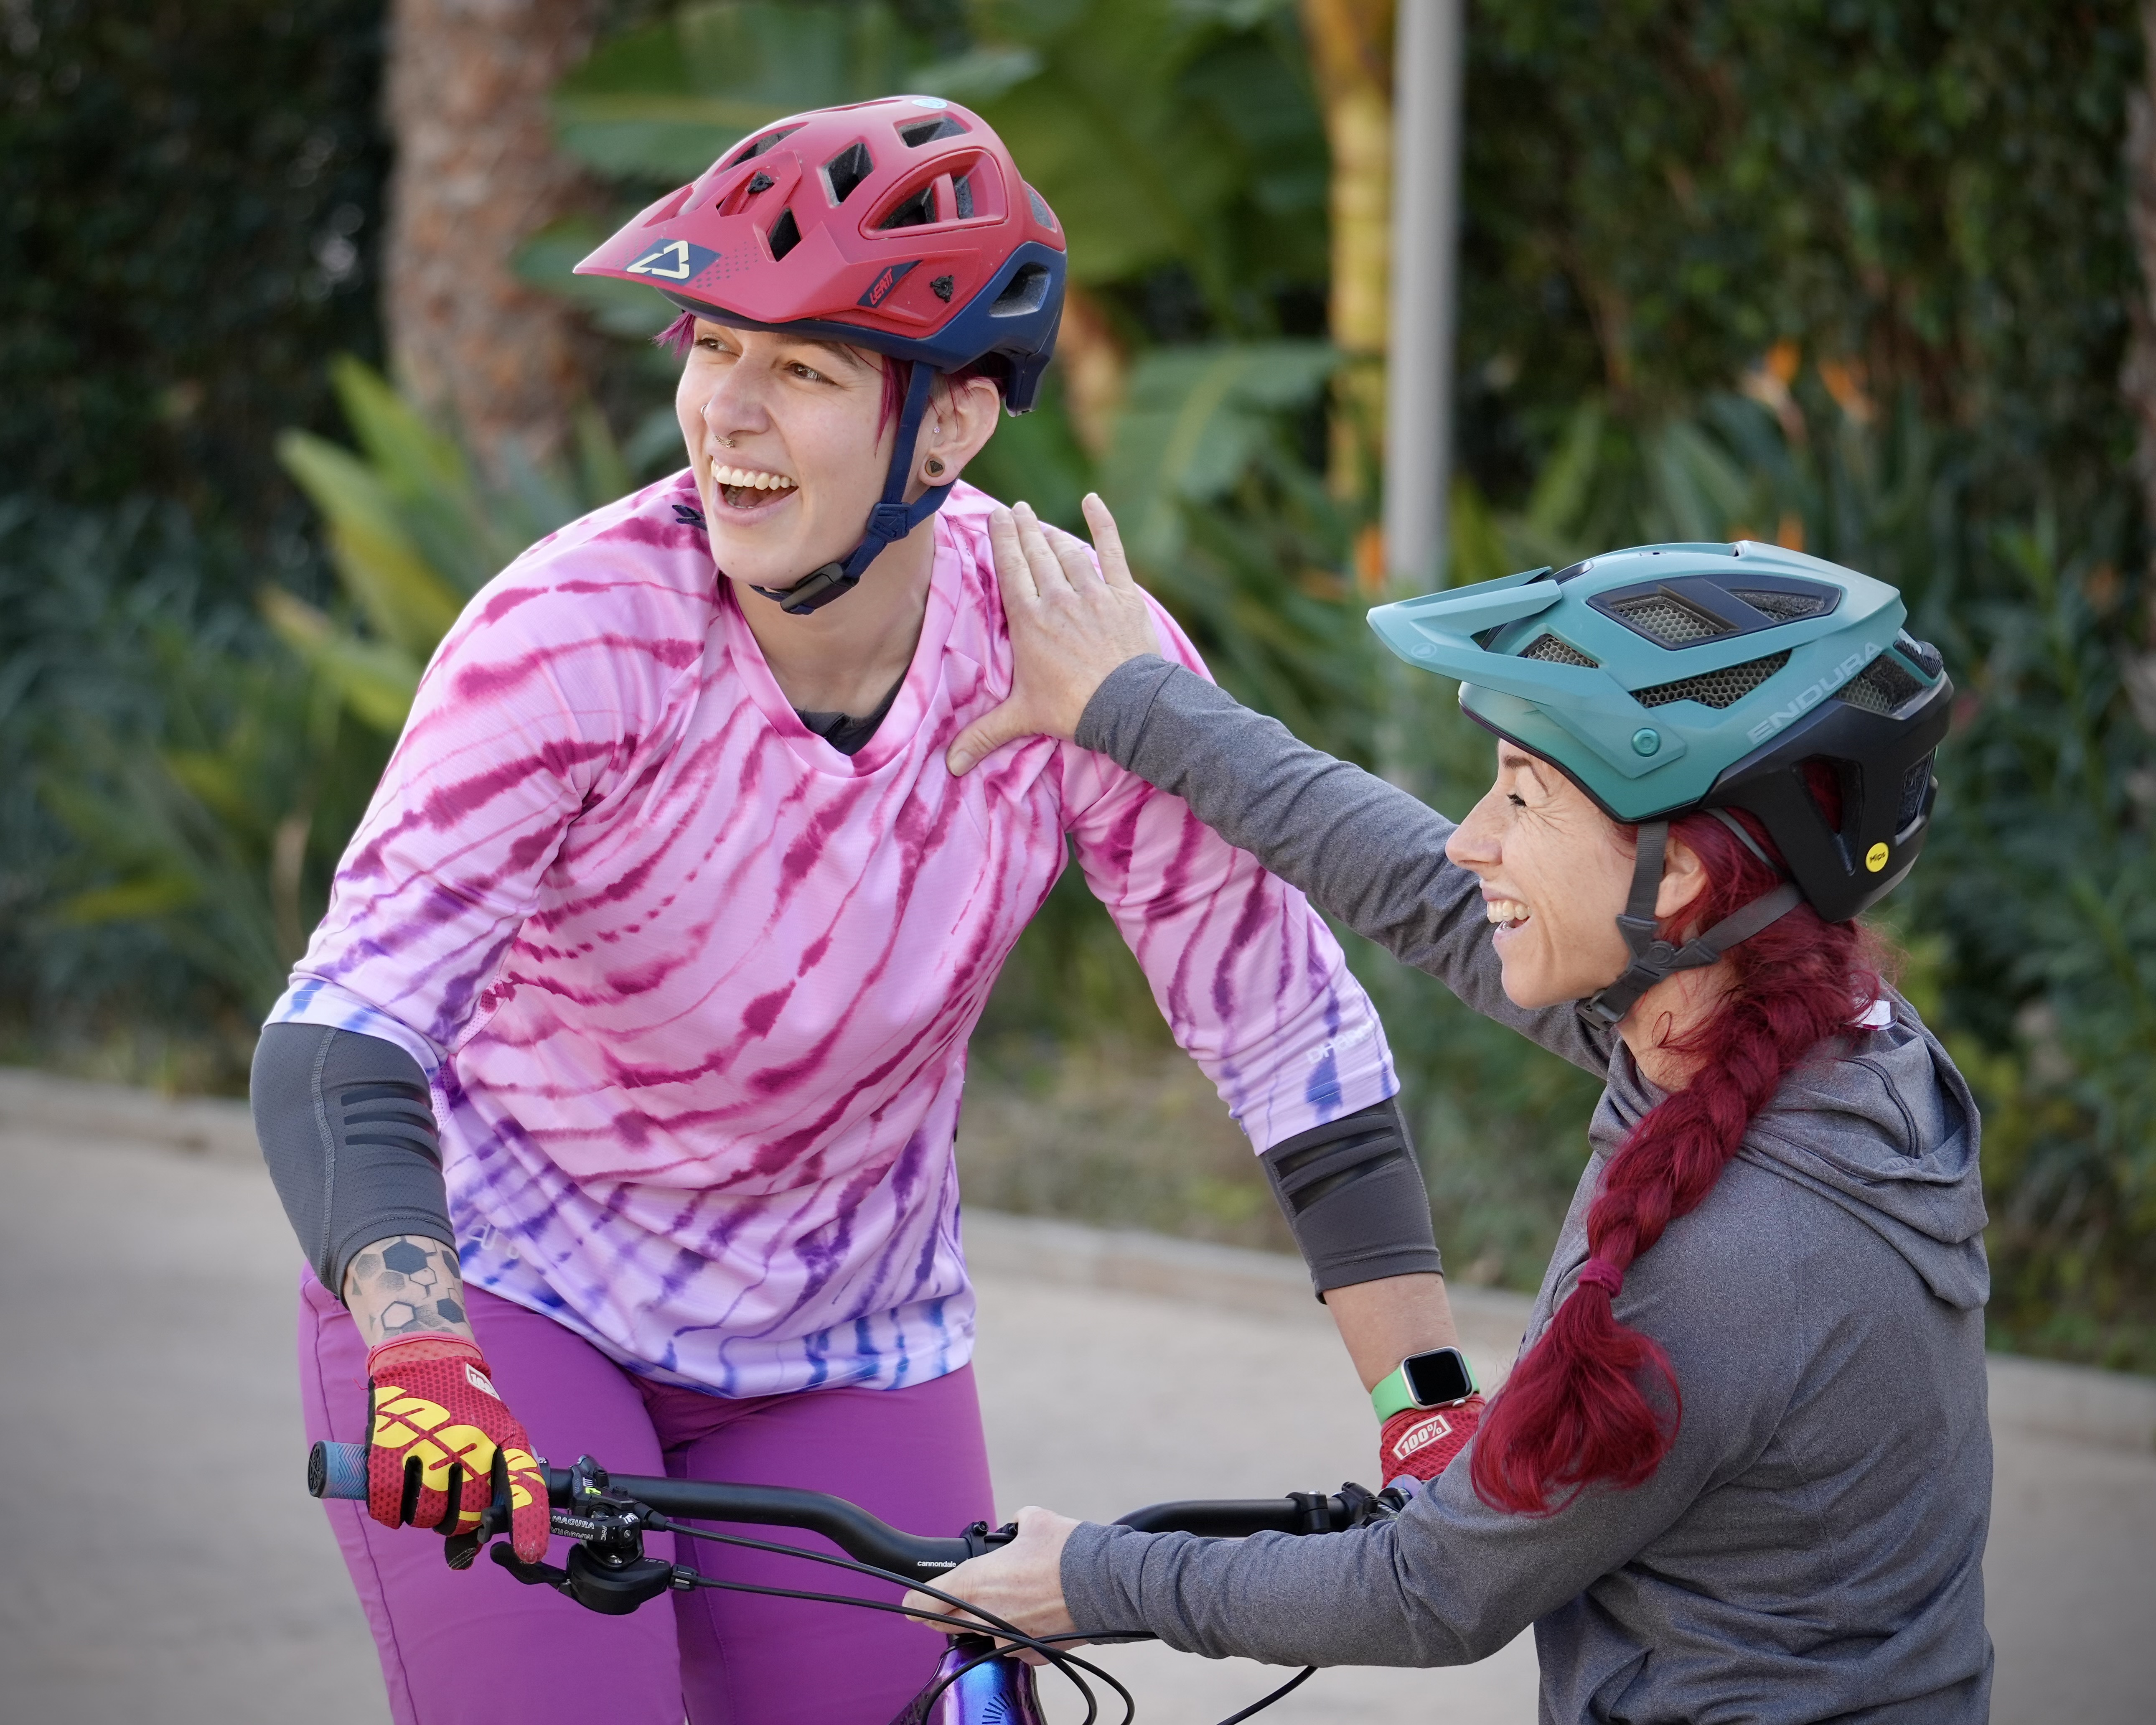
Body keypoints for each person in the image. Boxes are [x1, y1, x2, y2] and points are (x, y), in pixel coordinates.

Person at [249, 98, 1470, 1725]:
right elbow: (348, 1025)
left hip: (846, 1337)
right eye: (713, 349)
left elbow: (1284, 1031)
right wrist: (417, 1346)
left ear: (953, 427)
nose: (728, 416)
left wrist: (1433, 1412)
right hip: (506, 1305)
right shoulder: (571, 636)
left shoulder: (1065, 648)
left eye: (806, 371)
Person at [915, 500, 1991, 1722]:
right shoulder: (1831, 1049)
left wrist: (1089, 1577)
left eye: (1525, 799)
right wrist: (1132, 703)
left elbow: (1428, 1594)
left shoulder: (1737, 1268)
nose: (1476, 840)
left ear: (1679, 875)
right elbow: (1419, 890)